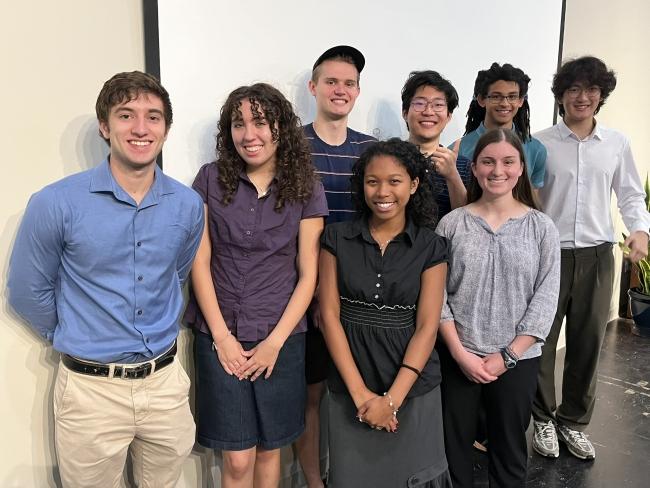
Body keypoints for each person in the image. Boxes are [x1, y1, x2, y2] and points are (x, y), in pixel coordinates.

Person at [7, 71, 204, 488]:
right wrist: (78, 333)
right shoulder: (55, 202)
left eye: (153, 117)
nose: (140, 128)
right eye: (126, 115)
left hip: (165, 383)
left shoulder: (188, 205)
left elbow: (176, 273)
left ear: (166, 129)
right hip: (91, 393)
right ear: (105, 126)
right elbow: (27, 291)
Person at [183, 83, 328, 488]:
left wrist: (275, 342)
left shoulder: (306, 185)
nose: (249, 134)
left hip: (281, 339)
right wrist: (223, 338)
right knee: (238, 460)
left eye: (260, 122)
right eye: (239, 124)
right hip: (219, 336)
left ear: (280, 126)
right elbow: (201, 263)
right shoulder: (210, 179)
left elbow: (308, 274)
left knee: (270, 454)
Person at [531, 56, 650, 461]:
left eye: (592, 90)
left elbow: (632, 194)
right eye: (574, 89)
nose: (583, 97)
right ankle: (542, 419)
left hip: (598, 255)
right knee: (541, 343)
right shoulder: (540, 143)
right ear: (561, 95)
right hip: (549, 254)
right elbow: (527, 199)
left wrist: (639, 229)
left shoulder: (616, 143)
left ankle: (573, 422)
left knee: (588, 343)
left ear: (601, 96)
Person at [319, 138, 452, 487]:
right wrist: (361, 395)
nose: (382, 191)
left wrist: (392, 400)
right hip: (351, 380)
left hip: (412, 384)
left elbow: (427, 327)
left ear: (413, 184)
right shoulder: (336, 238)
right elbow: (329, 315)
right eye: (372, 181)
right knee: (353, 476)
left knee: (414, 475)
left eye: (394, 181)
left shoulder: (431, 246)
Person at [436, 128, 560, 488]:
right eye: (488, 162)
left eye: (508, 162)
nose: (497, 170)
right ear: (473, 168)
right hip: (459, 355)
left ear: (521, 168)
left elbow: (545, 299)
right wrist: (460, 354)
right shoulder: (452, 224)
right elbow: (438, 298)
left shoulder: (541, 228)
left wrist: (508, 355)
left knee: (508, 449)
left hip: (517, 359)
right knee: (452, 449)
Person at [297, 45, 376, 488]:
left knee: (353, 392)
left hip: (360, 297)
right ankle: (314, 482)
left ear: (358, 91)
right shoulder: (291, 146)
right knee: (310, 397)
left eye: (348, 83)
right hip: (306, 296)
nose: (340, 90)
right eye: (331, 81)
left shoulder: (370, 150)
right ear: (314, 87)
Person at [456, 62, 547, 192]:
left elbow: (532, 199)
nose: (504, 103)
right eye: (496, 96)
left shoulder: (535, 149)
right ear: (481, 99)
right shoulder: (460, 149)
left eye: (512, 97)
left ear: (521, 100)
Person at [401, 70, 470, 217]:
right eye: (420, 103)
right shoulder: (388, 160)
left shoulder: (464, 167)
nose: (428, 112)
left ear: (448, 116)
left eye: (438, 105)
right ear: (405, 112)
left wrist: (452, 176)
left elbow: (469, 225)